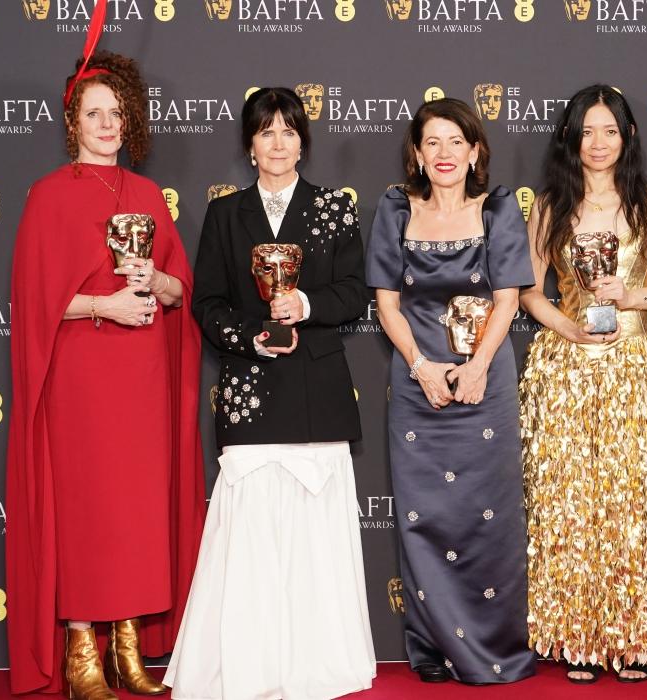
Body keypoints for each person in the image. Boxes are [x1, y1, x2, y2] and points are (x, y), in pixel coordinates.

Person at [5, 50, 206, 699]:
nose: (107, 124)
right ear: (72, 122)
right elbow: (35, 302)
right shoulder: (48, 196)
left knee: (137, 511)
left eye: (116, 112)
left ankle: (127, 648)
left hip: (142, 378)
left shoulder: (147, 195)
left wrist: (159, 280)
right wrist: (103, 304)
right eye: (94, 113)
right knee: (88, 509)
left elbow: (180, 292)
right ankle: (81, 651)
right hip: (81, 378)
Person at [163, 87, 376, 700]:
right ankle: (245, 667)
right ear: (249, 146)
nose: (278, 143)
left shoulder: (334, 207)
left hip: (316, 391)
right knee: (250, 543)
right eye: (266, 132)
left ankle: (319, 664)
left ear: (302, 142)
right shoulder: (225, 214)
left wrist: (304, 303)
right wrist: (252, 336)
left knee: (314, 544)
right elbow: (206, 302)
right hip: (250, 390)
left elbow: (354, 292)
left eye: (288, 131)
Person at [518, 85, 647, 684]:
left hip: (633, 366)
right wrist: (568, 327)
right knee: (568, 505)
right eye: (587, 131)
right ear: (571, 137)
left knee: (633, 504)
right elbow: (528, 291)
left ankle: (634, 637)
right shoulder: (550, 205)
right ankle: (575, 638)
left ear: (629, 136)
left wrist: (629, 296)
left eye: (610, 131)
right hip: (565, 368)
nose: (598, 144)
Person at [367, 97, 537, 685]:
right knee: (425, 518)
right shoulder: (395, 209)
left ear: (475, 151)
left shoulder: (498, 208)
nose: (444, 153)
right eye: (432, 142)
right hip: (417, 385)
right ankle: (434, 648)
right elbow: (387, 305)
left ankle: (496, 646)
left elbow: (508, 298)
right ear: (417, 153)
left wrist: (478, 365)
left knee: (489, 520)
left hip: (486, 382)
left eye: (455, 142)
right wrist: (421, 366)